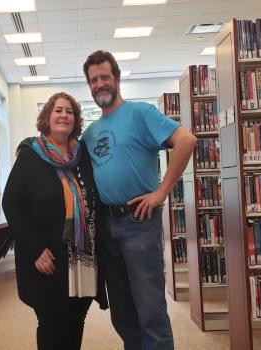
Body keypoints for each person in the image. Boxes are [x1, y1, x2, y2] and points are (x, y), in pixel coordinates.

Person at [81, 50, 197, 350]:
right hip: (106, 224)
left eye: (105, 77)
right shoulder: (90, 133)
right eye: (93, 80)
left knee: (150, 308)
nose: (99, 84)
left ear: (117, 79)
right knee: (122, 312)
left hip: (138, 220)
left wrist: (162, 192)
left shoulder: (140, 113)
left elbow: (186, 141)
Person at [2, 92, 108, 350]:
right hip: (48, 259)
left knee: (76, 319)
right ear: (47, 117)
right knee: (51, 323)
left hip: (82, 258)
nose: (64, 115)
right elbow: (12, 204)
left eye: (69, 111)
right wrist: (35, 250)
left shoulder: (83, 156)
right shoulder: (30, 155)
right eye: (58, 110)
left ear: (75, 119)